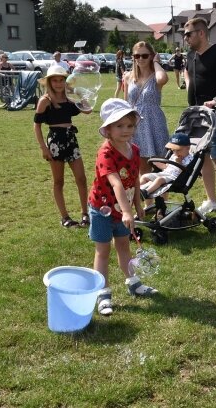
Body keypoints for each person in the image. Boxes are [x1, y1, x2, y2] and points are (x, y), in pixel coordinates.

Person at [88, 98, 158, 316]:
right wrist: (127, 211)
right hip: (102, 209)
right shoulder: (106, 153)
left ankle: (133, 282)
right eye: (119, 126)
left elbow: (135, 181)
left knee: (123, 247)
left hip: (123, 210)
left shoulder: (134, 150)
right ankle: (103, 293)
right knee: (103, 251)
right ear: (108, 129)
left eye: (130, 125)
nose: (126, 130)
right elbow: (116, 182)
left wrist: (138, 206)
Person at [183, 17, 216, 220]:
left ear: (201, 33)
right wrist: (189, 86)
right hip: (195, 117)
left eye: (189, 34)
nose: (186, 38)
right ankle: (212, 201)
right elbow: (187, 74)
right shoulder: (190, 55)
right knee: (202, 158)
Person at [33, 65, 91, 228]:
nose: (58, 83)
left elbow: (88, 110)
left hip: (71, 139)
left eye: (61, 80)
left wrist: (78, 94)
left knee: (81, 178)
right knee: (59, 181)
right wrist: (43, 148)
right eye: (55, 80)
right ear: (49, 82)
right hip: (55, 142)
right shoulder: (45, 100)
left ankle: (85, 213)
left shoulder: (69, 98)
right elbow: (36, 125)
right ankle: (65, 217)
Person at [123, 41, 169, 190]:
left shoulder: (156, 76)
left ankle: (161, 205)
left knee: (161, 165)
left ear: (151, 56)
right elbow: (125, 104)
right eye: (137, 55)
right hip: (135, 124)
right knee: (142, 166)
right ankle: (147, 203)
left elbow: (163, 79)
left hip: (154, 122)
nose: (140, 59)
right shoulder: (128, 77)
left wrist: (156, 63)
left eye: (144, 55)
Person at [139, 132, 193, 199]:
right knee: (144, 176)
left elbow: (185, 172)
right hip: (164, 173)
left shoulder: (190, 159)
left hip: (174, 178)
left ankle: (146, 192)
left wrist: (179, 163)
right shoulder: (174, 155)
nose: (175, 153)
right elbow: (167, 167)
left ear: (188, 148)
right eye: (173, 150)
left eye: (178, 150)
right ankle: (136, 191)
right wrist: (157, 163)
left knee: (159, 179)